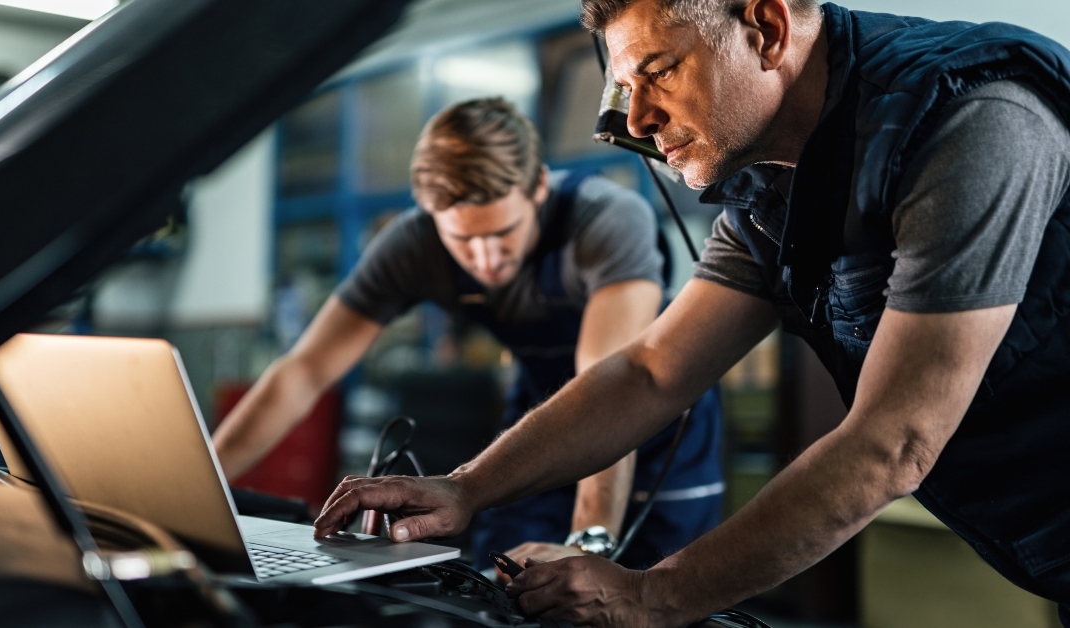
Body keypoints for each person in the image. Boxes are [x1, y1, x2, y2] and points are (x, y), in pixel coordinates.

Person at [313, 0, 1070, 625]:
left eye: (659, 71)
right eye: (623, 86)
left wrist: (653, 595)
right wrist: (466, 488)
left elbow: (895, 440)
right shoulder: (769, 195)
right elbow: (651, 371)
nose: (636, 118)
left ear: (766, 29)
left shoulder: (974, 119)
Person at [213, 97, 725, 573]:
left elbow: (614, 386)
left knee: (647, 592)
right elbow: (302, 372)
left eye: (502, 233)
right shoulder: (413, 244)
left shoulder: (606, 221)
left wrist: (584, 543)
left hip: (655, 423)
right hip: (542, 416)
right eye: (463, 241)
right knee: (499, 585)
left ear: (538, 189)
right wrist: (199, 489)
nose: (484, 259)